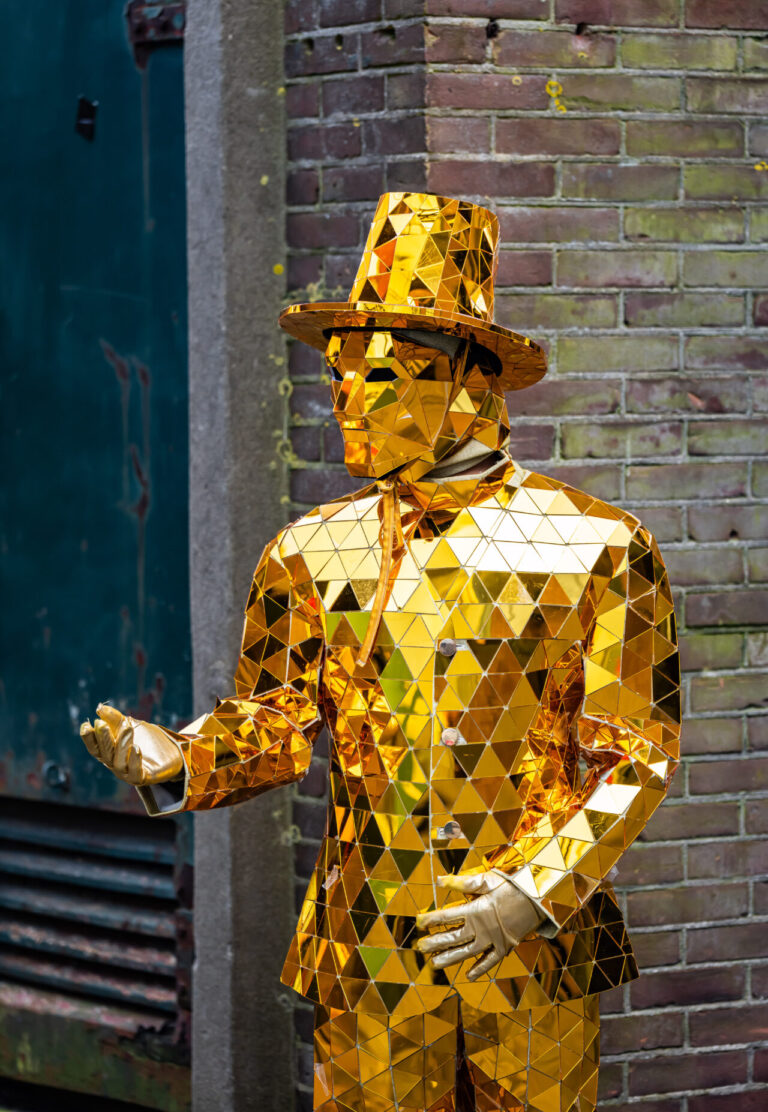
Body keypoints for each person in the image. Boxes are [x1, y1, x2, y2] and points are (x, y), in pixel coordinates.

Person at [82, 192, 681, 1112]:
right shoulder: (309, 552)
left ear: (473, 382)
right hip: (369, 952)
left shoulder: (599, 547)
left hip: (535, 953)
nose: (350, 398)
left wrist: (532, 891)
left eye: (389, 372)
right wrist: (184, 759)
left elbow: (633, 756)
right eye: (341, 371)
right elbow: (278, 719)